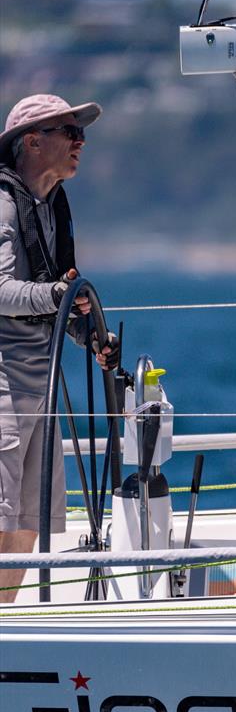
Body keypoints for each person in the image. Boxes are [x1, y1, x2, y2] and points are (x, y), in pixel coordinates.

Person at [0, 94, 118, 603]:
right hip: (3, 380)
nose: (80, 143)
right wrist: (56, 296)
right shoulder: (3, 204)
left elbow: (52, 294)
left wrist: (91, 338)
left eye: (81, 134)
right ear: (31, 141)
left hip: (39, 382)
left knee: (30, 515)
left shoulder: (51, 208)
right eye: (69, 133)